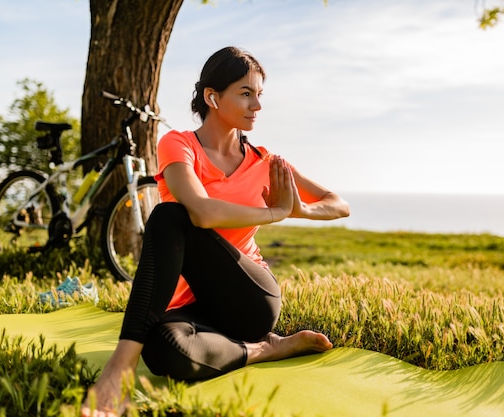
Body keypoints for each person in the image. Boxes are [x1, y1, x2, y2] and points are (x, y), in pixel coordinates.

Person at [81, 46, 350, 416]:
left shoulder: (265, 161)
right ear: (212, 96)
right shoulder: (178, 144)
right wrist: (274, 212)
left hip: (247, 300)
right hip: (187, 307)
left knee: (166, 217)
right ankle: (266, 349)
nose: (257, 105)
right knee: (164, 353)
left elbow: (339, 203)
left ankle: (118, 370)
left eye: (259, 95)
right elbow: (202, 211)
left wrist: (300, 209)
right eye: (245, 93)